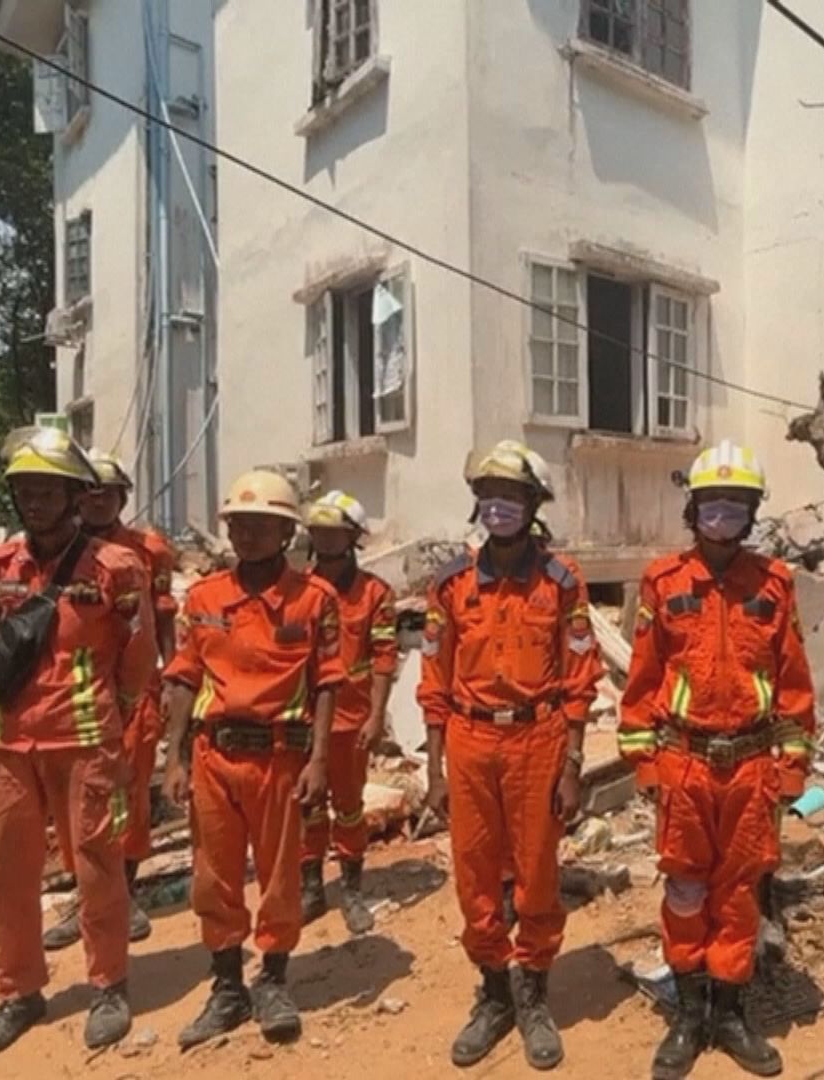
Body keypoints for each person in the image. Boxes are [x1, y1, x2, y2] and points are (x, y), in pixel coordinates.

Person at [0, 428, 157, 1064]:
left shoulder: (117, 569)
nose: (34, 501)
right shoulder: (0, 568)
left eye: (47, 489)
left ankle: (108, 986)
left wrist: (122, 731)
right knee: (2, 874)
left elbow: (138, 658)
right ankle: (20, 991)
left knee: (98, 866)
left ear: (76, 495)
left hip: (86, 740)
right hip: (11, 743)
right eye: (24, 490)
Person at [619, 441, 815, 1080]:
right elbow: (643, 680)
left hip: (752, 768)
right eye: (712, 504)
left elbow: (793, 684)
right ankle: (688, 1013)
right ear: (692, 509)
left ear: (753, 512)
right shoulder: (663, 582)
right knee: (684, 891)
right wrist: (646, 766)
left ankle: (729, 1012)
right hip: (685, 764)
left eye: (736, 505)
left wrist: (790, 771)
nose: (722, 516)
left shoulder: (775, 583)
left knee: (737, 894)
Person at [418, 440, 602, 1071]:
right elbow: (433, 682)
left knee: (536, 873)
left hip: (538, 741)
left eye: (513, 496)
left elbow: (580, 677)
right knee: (475, 872)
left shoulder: (561, 582)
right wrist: (433, 770)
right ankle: (494, 993)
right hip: (469, 743)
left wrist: (574, 765)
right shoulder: (448, 584)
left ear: (533, 505)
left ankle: (535, 995)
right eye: (489, 495)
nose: (499, 507)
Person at [159, 470, 346, 1048]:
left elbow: (327, 683)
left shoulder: (315, 600)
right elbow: (186, 677)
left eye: (260, 523)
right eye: (238, 523)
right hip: (215, 757)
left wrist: (319, 761)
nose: (246, 534)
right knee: (213, 878)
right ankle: (226, 987)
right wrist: (175, 757)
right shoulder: (206, 597)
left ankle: (273, 980)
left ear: (287, 531)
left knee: (279, 877)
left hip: (280, 760)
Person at [43, 449, 179, 950]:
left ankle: (125, 892)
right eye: (90, 492)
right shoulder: (57, 551)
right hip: (74, 698)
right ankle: (86, 896)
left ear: (123, 496)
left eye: (108, 493)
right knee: (73, 803)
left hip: (137, 692)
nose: (98, 502)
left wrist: (171, 678)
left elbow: (163, 619)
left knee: (131, 791)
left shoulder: (150, 551)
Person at [299, 490, 400, 934]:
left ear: (353, 537)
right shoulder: (298, 588)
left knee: (349, 807)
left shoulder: (374, 594)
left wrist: (376, 716)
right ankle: (310, 888)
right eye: (318, 531)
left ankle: (352, 889)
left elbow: (383, 657)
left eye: (333, 532)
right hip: (301, 720)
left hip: (350, 719)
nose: (324, 540)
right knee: (307, 806)